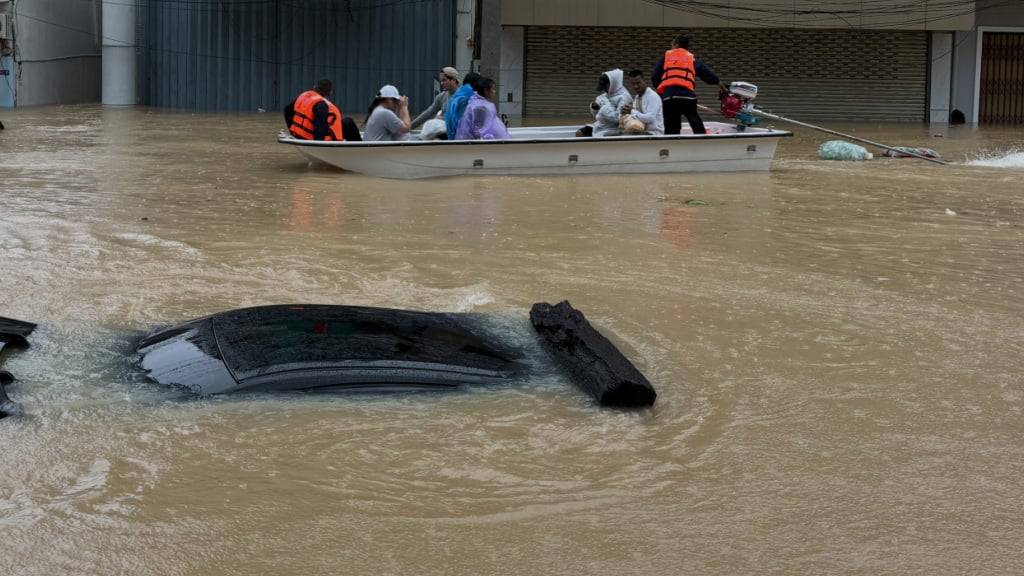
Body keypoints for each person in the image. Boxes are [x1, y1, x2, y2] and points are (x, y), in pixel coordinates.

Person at [652, 34, 728, 135]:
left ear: (675, 44)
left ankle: (672, 146)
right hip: (688, 97)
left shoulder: (666, 57)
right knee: (695, 120)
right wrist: (722, 86)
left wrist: (663, 92)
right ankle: (703, 142)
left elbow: (655, 77)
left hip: (669, 97)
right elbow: (708, 75)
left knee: (671, 126)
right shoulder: (691, 59)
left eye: (672, 44)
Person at [284, 78, 360, 141]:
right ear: (329, 92)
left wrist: (292, 130)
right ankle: (360, 149)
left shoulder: (304, 96)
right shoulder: (322, 105)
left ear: (314, 87)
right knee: (348, 122)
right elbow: (320, 128)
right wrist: (318, 144)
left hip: (298, 135)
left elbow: (287, 110)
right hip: (313, 140)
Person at [576, 69, 632, 137]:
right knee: (579, 133)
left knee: (594, 138)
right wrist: (595, 108)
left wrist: (604, 105)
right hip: (601, 125)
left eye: (605, 87)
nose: (603, 89)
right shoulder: (608, 93)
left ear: (612, 83)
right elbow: (598, 115)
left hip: (613, 129)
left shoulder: (624, 97)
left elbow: (617, 119)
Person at [411, 66, 460, 132]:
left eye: (444, 80)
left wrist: (442, 119)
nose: (441, 83)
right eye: (441, 81)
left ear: (453, 80)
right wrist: (411, 126)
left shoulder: (464, 96)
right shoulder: (441, 96)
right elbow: (429, 112)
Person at [445, 71, 481, 140]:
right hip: (463, 139)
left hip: (452, 137)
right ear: (475, 84)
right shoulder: (469, 97)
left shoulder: (456, 96)